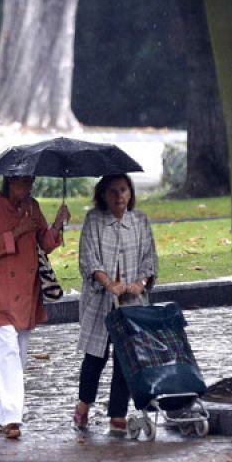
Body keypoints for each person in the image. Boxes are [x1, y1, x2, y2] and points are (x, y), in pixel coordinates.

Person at [0, 174, 69, 439]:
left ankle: (0, 412)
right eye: (21, 182)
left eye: (30, 182)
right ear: (9, 181)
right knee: (7, 353)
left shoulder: (32, 206)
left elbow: (45, 243)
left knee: (19, 355)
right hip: (0, 292)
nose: (26, 187)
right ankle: (13, 418)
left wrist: (58, 224)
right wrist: (17, 232)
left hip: (27, 291)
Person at [73, 173, 158, 434]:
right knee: (96, 356)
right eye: (113, 191)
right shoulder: (94, 220)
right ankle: (83, 404)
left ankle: (117, 413)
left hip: (131, 303)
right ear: (102, 195)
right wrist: (108, 283)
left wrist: (140, 283)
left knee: (125, 358)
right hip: (101, 302)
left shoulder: (140, 221)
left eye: (123, 190)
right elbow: (88, 259)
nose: (119, 196)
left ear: (130, 193)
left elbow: (150, 259)